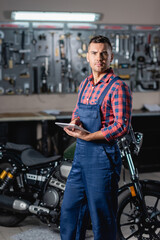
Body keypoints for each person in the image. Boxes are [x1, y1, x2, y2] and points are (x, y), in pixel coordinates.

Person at [60, 35, 132, 240]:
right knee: (70, 211)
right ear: (87, 57)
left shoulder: (118, 87)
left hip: (103, 159)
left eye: (103, 53)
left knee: (101, 216)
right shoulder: (84, 84)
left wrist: (91, 136)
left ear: (111, 57)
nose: (99, 57)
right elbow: (78, 113)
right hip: (81, 158)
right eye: (94, 53)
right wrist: (74, 124)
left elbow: (121, 126)